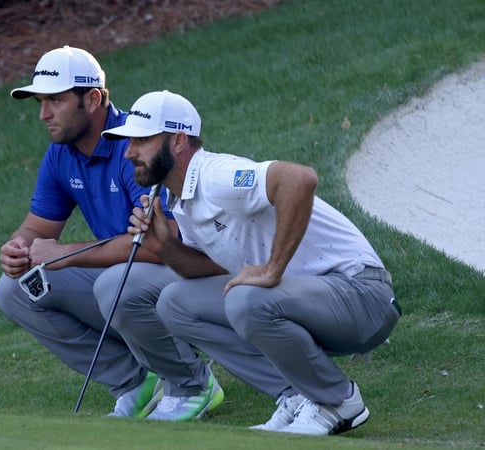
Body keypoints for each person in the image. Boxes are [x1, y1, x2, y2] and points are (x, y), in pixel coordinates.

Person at [103, 90, 401, 435]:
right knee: (174, 302)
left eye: (141, 140)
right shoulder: (182, 199)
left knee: (246, 298)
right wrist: (166, 247)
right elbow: (212, 270)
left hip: (363, 296)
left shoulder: (216, 175)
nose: (129, 152)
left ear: (178, 140)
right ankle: (297, 396)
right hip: (315, 300)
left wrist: (272, 268)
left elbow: (299, 179)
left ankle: (337, 401)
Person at [0, 49, 223, 420]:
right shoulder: (60, 154)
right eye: (40, 102)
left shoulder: (138, 143)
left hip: (190, 276)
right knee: (15, 287)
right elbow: (37, 227)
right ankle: (135, 382)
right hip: (127, 281)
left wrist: (65, 253)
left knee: (114, 282)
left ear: (93, 98)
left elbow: (161, 245)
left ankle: (191, 385)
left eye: (55, 100)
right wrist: (17, 248)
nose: (44, 114)